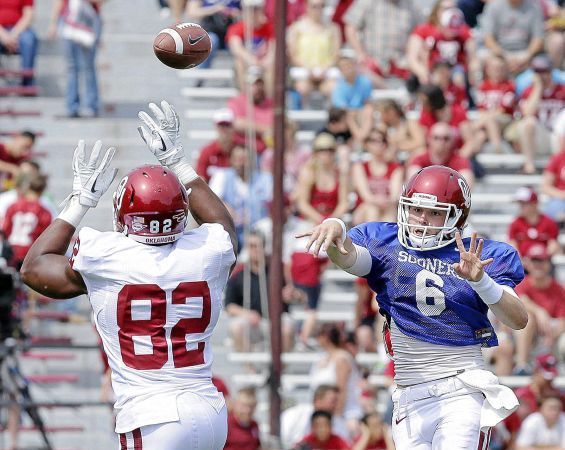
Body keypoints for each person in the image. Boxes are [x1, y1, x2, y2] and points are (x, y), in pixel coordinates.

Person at [20, 100, 237, 449]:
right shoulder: (207, 250)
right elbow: (223, 224)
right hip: (209, 411)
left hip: (151, 415)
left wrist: (80, 201)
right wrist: (178, 163)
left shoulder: (107, 256)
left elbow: (33, 268)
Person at [297, 164, 529, 449]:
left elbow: (518, 319)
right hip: (409, 395)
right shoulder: (387, 243)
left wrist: (481, 280)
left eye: (434, 212)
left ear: (458, 217)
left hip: (461, 390)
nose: (422, 219)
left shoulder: (479, 255)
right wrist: (337, 227)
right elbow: (349, 258)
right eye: (417, 209)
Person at [224, 230, 295, 352]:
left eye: (259, 246)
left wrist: (292, 294)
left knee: (288, 327)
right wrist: (247, 314)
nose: (255, 250)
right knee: (236, 327)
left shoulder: (277, 271)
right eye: (252, 246)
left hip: (275, 321)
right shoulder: (239, 274)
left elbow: (296, 295)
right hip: (251, 323)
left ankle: (280, 369)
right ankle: (249, 369)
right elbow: (229, 306)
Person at [513, 245, 565, 374]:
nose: (538, 265)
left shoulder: (558, 289)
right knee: (528, 319)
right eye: (534, 261)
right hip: (525, 332)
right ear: (527, 264)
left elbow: (562, 320)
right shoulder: (521, 284)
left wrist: (550, 336)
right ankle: (522, 366)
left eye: (542, 260)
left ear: (548, 264)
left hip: (550, 334)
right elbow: (521, 301)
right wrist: (540, 312)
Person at [406, 0, 479, 90]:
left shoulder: (464, 31)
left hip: (456, 74)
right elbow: (412, 58)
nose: (451, 12)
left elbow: (473, 58)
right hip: (432, 72)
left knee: (458, 77)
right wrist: (423, 73)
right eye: (446, 9)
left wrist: (474, 73)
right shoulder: (423, 30)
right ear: (437, 11)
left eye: (454, 8)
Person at [209, 144, 273, 247]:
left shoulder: (265, 179)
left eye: (244, 159)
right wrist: (230, 212)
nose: (241, 163)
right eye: (238, 159)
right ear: (231, 160)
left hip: (259, 232)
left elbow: (272, 205)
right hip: (231, 231)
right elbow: (212, 200)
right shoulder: (222, 176)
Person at [510, 54, 565, 174]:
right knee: (528, 123)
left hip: (558, 136)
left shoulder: (562, 90)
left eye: (544, 71)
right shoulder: (529, 91)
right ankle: (529, 165)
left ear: (550, 71)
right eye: (537, 71)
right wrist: (538, 89)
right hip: (540, 137)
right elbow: (527, 113)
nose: (541, 75)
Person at [49, 0, 103, 118]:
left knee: (89, 67)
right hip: (68, 22)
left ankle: (91, 105)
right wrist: (53, 23)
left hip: (89, 21)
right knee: (71, 67)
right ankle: (72, 106)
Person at [344, 0, 420, 81]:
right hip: (373, 62)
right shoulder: (367, 2)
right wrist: (360, 53)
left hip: (402, 63)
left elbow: (421, 32)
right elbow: (350, 28)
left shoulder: (411, 5)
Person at [310, 324, 363, 434]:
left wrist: (336, 418)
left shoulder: (342, 359)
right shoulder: (323, 358)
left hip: (344, 412)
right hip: (323, 412)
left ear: (325, 337)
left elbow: (341, 390)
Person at [287, 0, 341, 105]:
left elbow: (336, 54)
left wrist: (324, 69)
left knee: (334, 88)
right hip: (303, 73)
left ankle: (333, 120)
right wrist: (309, 69)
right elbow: (292, 55)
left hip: (326, 73)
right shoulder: (296, 28)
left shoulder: (333, 28)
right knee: (302, 88)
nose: (318, 10)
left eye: (321, 6)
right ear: (306, 6)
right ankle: (300, 120)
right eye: (314, 6)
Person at [352, 128, 403, 224]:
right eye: (373, 140)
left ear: (386, 144)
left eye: (382, 140)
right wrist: (379, 200)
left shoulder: (395, 168)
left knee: (390, 210)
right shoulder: (360, 167)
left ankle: (383, 238)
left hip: (387, 207)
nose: (378, 144)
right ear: (367, 144)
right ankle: (375, 238)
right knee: (372, 209)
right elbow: (366, 196)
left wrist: (385, 201)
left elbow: (394, 195)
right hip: (365, 209)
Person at [2, 171, 52, 270]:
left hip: (10, 252)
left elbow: (5, 229)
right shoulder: (44, 212)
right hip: (29, 254)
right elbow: (44, 237)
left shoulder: (13, 206)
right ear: (42, 190)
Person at [481, 0, 545, 75]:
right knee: (482, 58)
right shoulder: (493, 6)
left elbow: (538, 39)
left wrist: (527, 56)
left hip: (525, 52)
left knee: (541, 62)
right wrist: (504, 56)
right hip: (500, 53)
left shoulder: (534, 8)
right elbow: (488, 39)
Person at [407, 122, 474, 189]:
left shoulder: (460, 160)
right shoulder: (419, 158)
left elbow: (465, 187)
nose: (441, 142)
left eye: (446, 138)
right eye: (436, 138)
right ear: (428, 139)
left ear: (453, 140)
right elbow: (413, 183)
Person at [226, 0, 274, 93]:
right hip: (248, 63)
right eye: (249, 9)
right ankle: (244, 96)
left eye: (256, 9)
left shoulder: (270, 28)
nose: (252, 13)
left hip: (265, 64)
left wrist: (266, 61)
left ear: (261, 10)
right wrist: (251, 60)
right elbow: (236, 48)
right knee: (239, 63)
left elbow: (274, 49)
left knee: (272, 66)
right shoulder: (237, 28)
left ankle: (269, 99)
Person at [282, 384, 350, 449]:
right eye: (333, 401)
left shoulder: (340, 423)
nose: (336, 405)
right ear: (318, 400)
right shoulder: (294, 415)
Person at [186, 0, 241, 70]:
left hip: (233, 31)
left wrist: (235, 13)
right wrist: (215, 9)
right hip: (211, 30)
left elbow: (251, 13)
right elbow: (192, 12)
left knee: (237, 42)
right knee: (211, 40)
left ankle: (241, 74)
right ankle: (201, 74)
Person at [508, 186, 561, 257]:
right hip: (523, 264)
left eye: (524, 203)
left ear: (534, 204)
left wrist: (541, 258)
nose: (520, 207)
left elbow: (553, 245)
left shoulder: (549, 222)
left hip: (544, 263)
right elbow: (513, 245)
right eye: (520, 204)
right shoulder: (515, 223)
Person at [196, 108, 244, 183]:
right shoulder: (207, 152)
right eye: (221, 125)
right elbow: (201, 180)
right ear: (216, 127)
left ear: (233, 127)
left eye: (227, 125)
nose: (224, 129)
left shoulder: (241, 150)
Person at [0, 0, 38, 87]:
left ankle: (27, 81)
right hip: (1, 31)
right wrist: (4, 36)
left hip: (19, 30)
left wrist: (13, 35)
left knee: (29, 39)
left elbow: (28, 15)